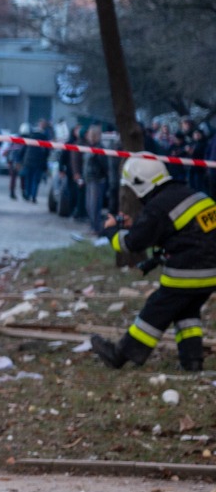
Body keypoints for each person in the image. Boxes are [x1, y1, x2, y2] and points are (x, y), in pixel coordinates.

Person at [91, 158, 216, 372]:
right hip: (211, 272)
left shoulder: (157, 208)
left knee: (155, 312)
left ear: (141, 184)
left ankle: (120, 355)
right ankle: (192, 361)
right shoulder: (191, 194)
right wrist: (138, 224)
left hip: (188, 271)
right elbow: (182, 231)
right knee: (187, 311)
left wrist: (110, 230)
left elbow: (131, 243)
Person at [83, 125, 110, 234]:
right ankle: (92, 226)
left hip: (97, 179)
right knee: (89, 205)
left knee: (94, 206)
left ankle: (96, 229)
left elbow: (104, 165)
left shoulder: (99, 148)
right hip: (89, 179)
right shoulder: (88, 147)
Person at [20, 123, 49, 203]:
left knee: (28, 179)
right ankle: (33, 196)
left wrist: (21, 160)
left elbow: (23, 150)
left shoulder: (30, 137)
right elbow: (47, 152)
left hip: (28, 161)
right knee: (35, 180)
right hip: (39, 162)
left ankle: (28, 194)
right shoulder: (44, 138)